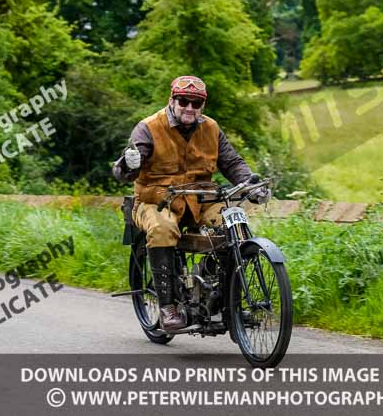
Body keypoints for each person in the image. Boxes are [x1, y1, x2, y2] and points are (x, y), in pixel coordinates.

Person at [113, 75, 269, 331]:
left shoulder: (211, 128)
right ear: (172, 100)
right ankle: (168, 308)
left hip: (200, 201)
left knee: (233, 224)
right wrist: (128, 165)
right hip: (156, 201)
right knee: (163, 229)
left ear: (202, 106)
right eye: (183, 101)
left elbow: (232, 163)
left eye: (196, 103)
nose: (189, 107)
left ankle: (228, 301)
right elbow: (125, 171)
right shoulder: (148, 127)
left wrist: (250, 184)